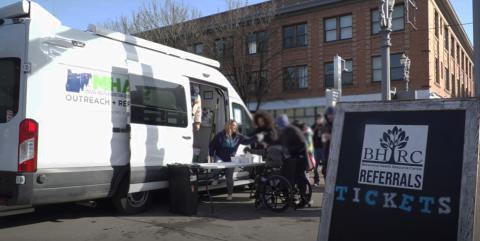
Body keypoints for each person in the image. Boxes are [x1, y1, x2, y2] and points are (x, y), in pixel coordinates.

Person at [209, 120, 256, 200]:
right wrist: (211, 155)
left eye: (236, 126)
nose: (235, 127)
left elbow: (248, 140)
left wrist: (256, 137)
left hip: (231, 159)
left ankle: (230, 194)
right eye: (234, 125)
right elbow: (212, 145)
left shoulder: (238, 137)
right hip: (220, 157)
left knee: (229, 177)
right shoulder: (219, 135)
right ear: (228, 126)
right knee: (217, 166)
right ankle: (215, 178)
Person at [275, 115, 310, 207]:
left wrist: (291, 151)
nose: (279, 128)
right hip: (295, 159)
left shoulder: (292, 131)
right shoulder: (286, 131)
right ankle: (293, 198)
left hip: (298, 159)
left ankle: (301, 199)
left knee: (296, 178)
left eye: (280, 126)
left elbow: (302, 144)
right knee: (293, 178)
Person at [320, 107, 335, 179]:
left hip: (336, 152)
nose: (330, 116)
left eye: (332, 114)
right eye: (329, 115)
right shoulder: (324, 126)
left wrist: (332, 137)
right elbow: (323, 140)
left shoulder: (338, 124)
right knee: (325, 171)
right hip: (326, 152)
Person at [312, 116, 325, 186]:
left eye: (320, 119)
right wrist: (315, 128)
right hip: (316, 148)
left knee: (325, 166)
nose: (319, 120)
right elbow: (310, 135)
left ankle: (327, 181)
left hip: (323, 148)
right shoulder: (314, 126)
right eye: (318, 119)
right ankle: (316, 181)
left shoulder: (324, 126)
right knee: (315, 166)